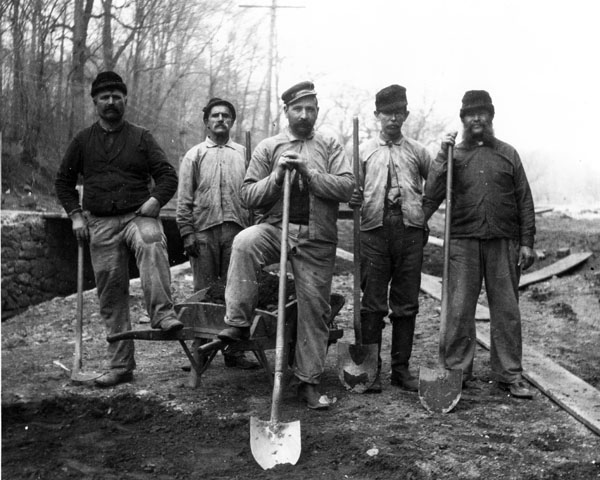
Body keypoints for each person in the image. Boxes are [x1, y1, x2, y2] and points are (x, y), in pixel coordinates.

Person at [217, 81, 354, 409]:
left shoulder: (331, 145)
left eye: (310, 109)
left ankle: (308, 381)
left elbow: (348, 187)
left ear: (317, 112)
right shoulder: (269, 147)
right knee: (244, 241)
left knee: (314, 309)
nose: (304, 115)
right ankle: (237, 322)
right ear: (287, 112)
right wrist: (276, 176)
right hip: (276, 229)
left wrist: (311, 174)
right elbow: (248, 195)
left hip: (315, 237)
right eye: (298, 109)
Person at [55, 71, 182, 388]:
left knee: (152, 240)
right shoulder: (83, 141)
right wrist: (75, 215)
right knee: (111, 292)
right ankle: (121, 365)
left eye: (116, 96)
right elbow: (63, 183)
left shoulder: (141, 137)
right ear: (95, 102)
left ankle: (162, 314)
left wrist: (155, 201)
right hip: (99, 223)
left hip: (138, 215)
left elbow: (167, 176)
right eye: (104, 97)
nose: (111, 102)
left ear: (125, 100)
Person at [423, 90, 536, 399]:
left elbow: (525, 201)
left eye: (482, 113)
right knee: (458, 310)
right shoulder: (453, 155)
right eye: (470, 114)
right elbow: (432, 194)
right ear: (463, 120)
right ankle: (456, 372)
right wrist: (440, 157)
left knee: (507, 311)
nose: (477, 118)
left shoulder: (508, 154)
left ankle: (509, 374)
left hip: (503, 242)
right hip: (462, 241)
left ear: (491, 117)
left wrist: (527, 243)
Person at [349, 85, 432, 393]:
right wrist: (352, 194)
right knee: (372, 304)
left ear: (406, 115)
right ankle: (370, 370)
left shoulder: (418, 151)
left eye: (399, 113)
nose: (393, 119)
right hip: (373, 232)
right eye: (387, 113)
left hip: (410, 233)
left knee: (406, 303)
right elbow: (348, 188)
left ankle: (401, 370)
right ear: (376, 116)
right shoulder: (363, 151)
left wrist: (422, 213)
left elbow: (436, 185)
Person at [176, 97, 257, 370]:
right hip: (204, 233)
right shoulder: (195, 155)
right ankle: (200, 353)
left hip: (237, 233)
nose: (220, 119)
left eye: (226, 116)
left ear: (232, 122)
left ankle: (234, 352)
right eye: (215, 116)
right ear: (206, 122)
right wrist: (187, 232)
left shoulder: (245, 154)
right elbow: (184, 198)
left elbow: (254, 197)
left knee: (235, 293)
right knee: (204, 293)